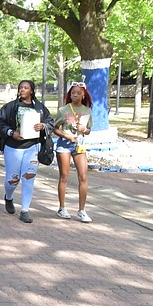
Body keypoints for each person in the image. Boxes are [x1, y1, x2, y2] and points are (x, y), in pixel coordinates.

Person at [0, 80, 54, 223]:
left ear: (32, 91)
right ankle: (8, 196)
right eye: (21, 87)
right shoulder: (10, 107)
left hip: (32, 146)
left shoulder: (39, 108)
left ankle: (25, 210)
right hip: (13, 147)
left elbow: (51, 122)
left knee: (28, 178)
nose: (22, 90)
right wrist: (10, 133)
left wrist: (43, 126)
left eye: (26, 88)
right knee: (12, 180)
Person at [54, 82, 93, 223]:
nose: (75, 95)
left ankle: (82, 210)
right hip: (64, 145)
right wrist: (66, 136)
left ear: (83, 95)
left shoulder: (87, 110)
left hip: (79, 145)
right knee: (64, 176)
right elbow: (55, 128)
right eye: (72, 93)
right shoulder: (63, 110)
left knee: (83, 176)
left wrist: (84, 129)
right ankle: (62, 207)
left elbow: (88, 130)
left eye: (77, 93)